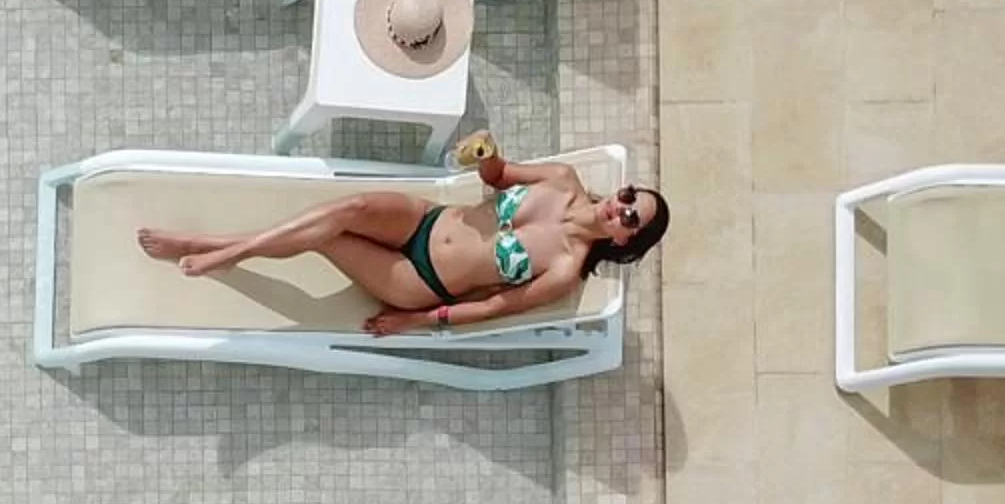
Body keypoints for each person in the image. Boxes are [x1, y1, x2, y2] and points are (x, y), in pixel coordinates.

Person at [135, 151, 671, 338]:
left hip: (419, 281)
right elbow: (500, 174)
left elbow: (489, 306)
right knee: (349, 210)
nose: (619, 206)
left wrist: (416, 321)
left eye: (630, 216)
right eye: (628, 195)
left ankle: (218, 250)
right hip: (426, 218)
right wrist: (484, 155)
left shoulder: (564, 268)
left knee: (332, 238)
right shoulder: (561, 178)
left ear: (627, 239)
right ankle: (220, 251)